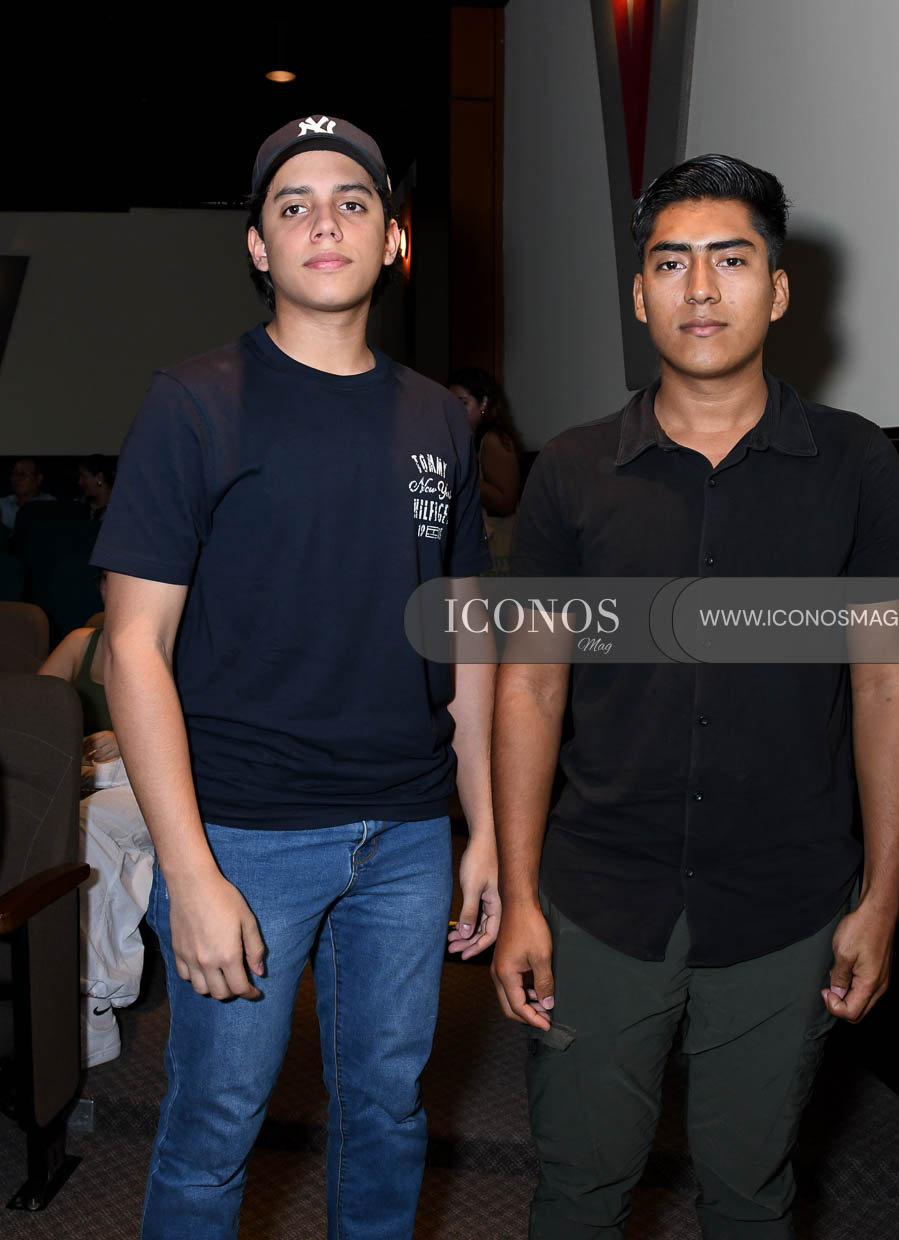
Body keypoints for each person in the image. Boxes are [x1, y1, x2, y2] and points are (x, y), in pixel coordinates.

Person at [490, 154, 899, 1238]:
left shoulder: (855, 464)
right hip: (599, 895)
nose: (698, 288)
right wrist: (520, 893)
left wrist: (882, 896)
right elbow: (530, 686)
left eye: (729, 261)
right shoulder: (572, 471)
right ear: (638, 294)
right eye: (669, 263)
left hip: (785, 902)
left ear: (776, 290)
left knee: (749, 1197)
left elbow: (886, 683)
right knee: (577, 1192)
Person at [93, 115, 500, 1239]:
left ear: (391, 238)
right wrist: (191, 870)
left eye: (353, 201)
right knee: (215, 1126)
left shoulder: (439, 418)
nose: (326, 222)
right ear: (259, 245)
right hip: (245, 834)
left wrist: (486, 829)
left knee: (388, 1112)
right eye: (295, 205)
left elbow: (466, 637)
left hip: (408, 836)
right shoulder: (193, 401)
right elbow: (132, 647)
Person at [37, 567, 154, 1069]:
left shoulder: (178, 645)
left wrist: (126, 742)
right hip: (85, 779)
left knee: (86, 830)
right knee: (66, 825)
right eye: (111, 578)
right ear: (102, 586)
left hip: (152, 787)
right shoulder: (81, 643)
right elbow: (34, 713)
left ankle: (95, 1002)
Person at [449, 366, 521, 575]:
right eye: (451, 403)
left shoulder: (493, 440)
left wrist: (463, 473)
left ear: (483, 403)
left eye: (462, 402)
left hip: (498, 551)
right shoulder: (470, 440)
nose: (455, 410)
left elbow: (505, 502)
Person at [1, 456, 56, 530]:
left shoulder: (50, 504)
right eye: (14, 474)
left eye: (23, 474)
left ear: (38, 479)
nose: (17, 478)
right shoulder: (3, 504)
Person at [77, 453, 115, 521]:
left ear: (99, 477)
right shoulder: (79, 505)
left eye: (84, 476)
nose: (79, 482)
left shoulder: (120, 508)